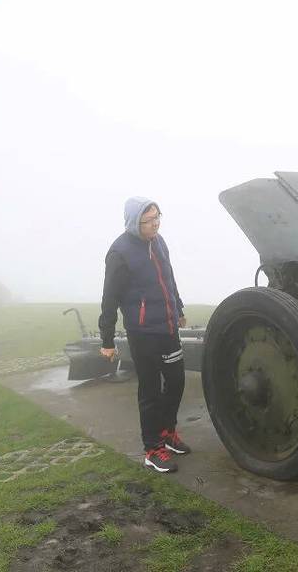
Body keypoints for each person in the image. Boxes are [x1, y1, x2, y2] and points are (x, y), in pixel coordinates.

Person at [98, 197, 190, 473]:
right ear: (134, 223)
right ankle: (152, 449)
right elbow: (110, 298)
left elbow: (169, 279)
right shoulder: (120, 252)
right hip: (142, 332)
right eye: (149, 220)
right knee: (150, 390)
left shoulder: (158, 242)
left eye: (158, 217)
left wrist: (178, 308)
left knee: (176, 381)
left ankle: (167, 432)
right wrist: (107, 340)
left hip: (168, 327)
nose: (155, 224)